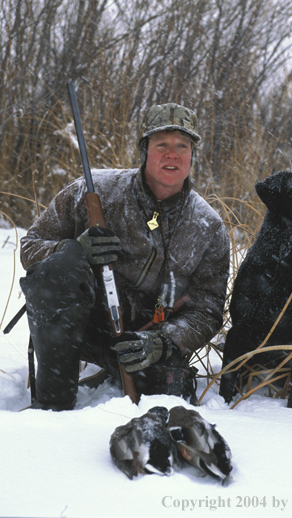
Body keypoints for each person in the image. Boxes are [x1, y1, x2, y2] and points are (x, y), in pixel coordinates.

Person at [20, 103, 230, 410]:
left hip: (145, 342)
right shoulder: (94, 190)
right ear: (145, 150)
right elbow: (30, 246)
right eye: (162, 145)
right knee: (58, 269)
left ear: (191, 155)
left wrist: (164, 342)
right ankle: (53, 406)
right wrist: (73, 250)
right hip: (82, 327)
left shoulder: (208, 226)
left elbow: (208, 310)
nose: (172, 154)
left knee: (170, 401)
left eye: (182, 146)